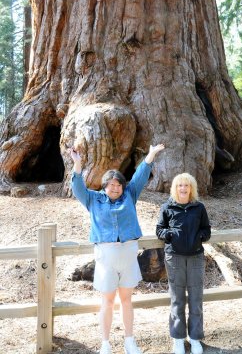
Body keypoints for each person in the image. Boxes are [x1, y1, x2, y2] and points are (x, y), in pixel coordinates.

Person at [71, 144, 164, 354]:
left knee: (126, 299)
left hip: (128, 255)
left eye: (118, 184)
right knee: (107, 300)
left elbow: (140, 176)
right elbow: (77, 187)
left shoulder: (129, 196)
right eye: (111, 184)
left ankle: (129, 341)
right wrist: (77, 164)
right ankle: (105, 343)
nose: (115, 188)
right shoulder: (93, 200)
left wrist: (150, 155)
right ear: (105, 186)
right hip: (106, 257)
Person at [156, 173, 211, 354]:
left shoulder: (199, 207)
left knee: (196, 299)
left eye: (186, 185)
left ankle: (195, 338)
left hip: (195, 257)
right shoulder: (167, 207)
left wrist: (202, 236)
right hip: (175, 258)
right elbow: (160, 229)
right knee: (177, 299)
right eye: (180, 185)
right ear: (175, 188)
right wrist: (168, 235)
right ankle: (178, 338)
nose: (183, 188)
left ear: (191, 188)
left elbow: (206, 228)